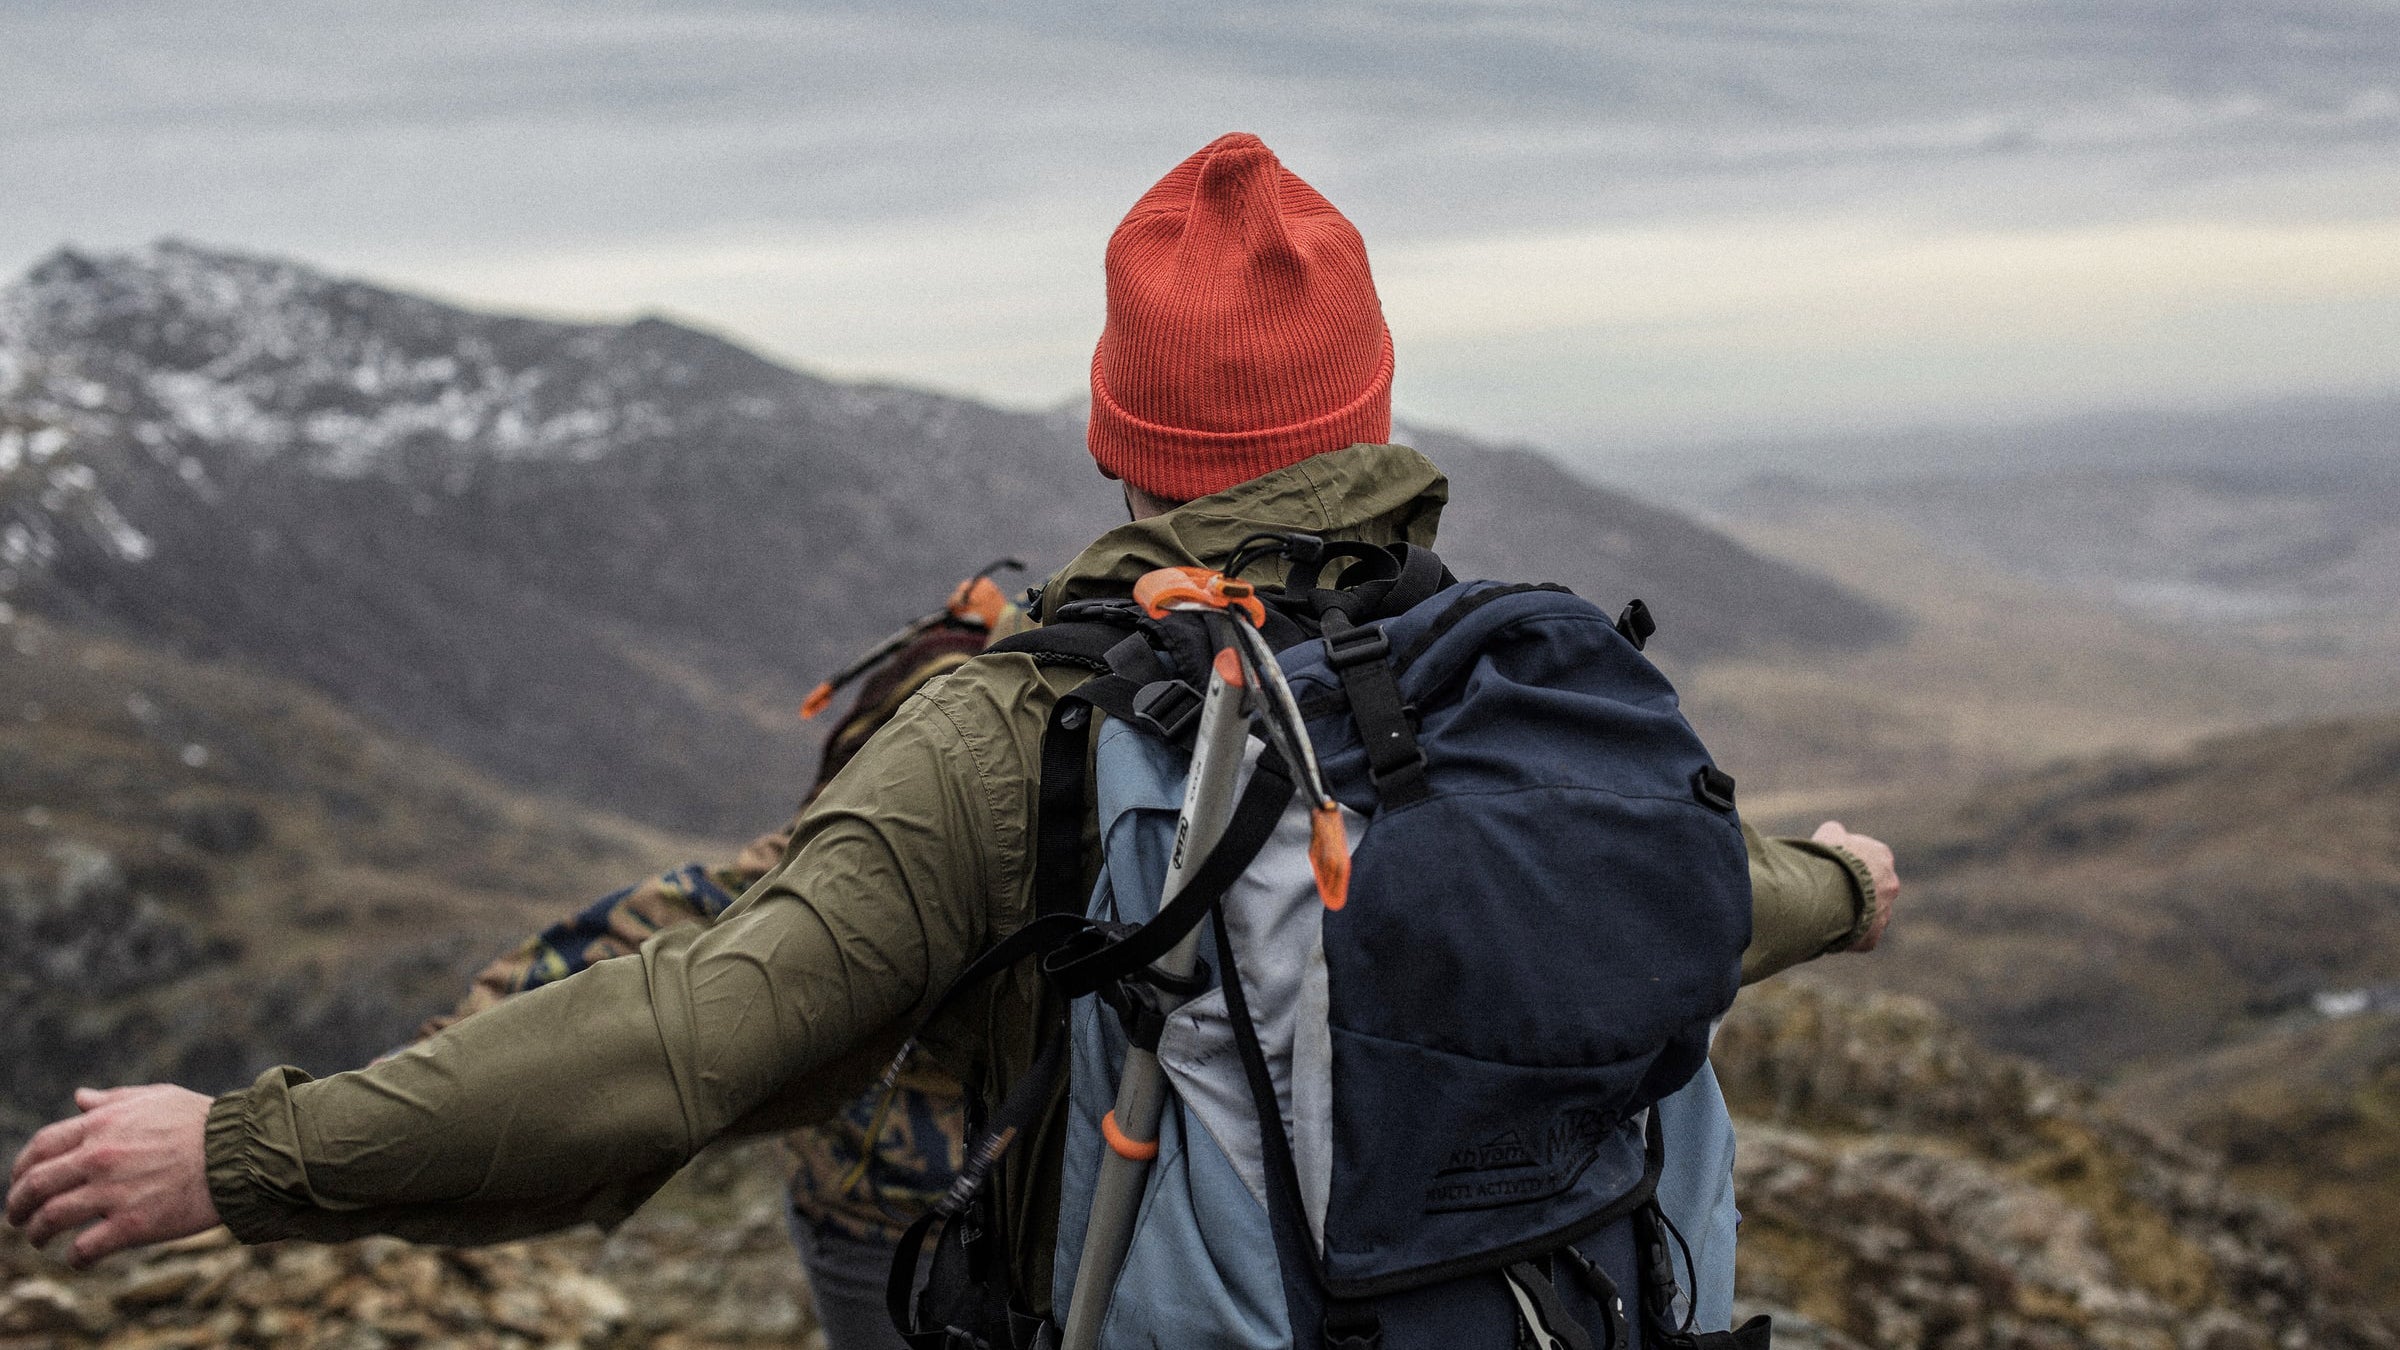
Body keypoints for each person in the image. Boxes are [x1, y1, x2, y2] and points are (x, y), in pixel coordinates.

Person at [6, 135, 1901, 1335]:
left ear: (1118, 440)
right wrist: (1842, 882)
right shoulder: (1502, 672)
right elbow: (1694, 895)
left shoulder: (1029, 723)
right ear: (1376, 407)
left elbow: (696, 1037)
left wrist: (241, 1158)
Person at [407, 570, 1019, 1350]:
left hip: (908, 1203)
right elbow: (681, 918)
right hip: (904, 1214)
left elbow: (677, 915)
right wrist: (436, 1074)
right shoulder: (963, 750)